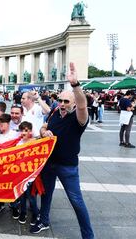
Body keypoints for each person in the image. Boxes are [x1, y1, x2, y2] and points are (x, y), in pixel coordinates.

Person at [36, 62, 94, 238]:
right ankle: (44, 221)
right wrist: (44, 132)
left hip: (67, 166)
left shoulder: (79, 118)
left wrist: (75, 85)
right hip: (49, 162)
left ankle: (88, 236)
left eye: (66, 101)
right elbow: (43, 128)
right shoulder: (54, 112)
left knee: (76, 202)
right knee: (46, 195)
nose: (61, 103)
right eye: (59, 100)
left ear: (74, 103)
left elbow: (83, 106)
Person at [14, 121, 40, 226]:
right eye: (22, 130)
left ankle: (35, 213)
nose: (24, 132)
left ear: (30, 131)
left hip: (31, 175)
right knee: (22, 195)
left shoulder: (35, 142)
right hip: (20, 174)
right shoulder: (19, 143)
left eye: (26, 130)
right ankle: (23, 212)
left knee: (31, 196)